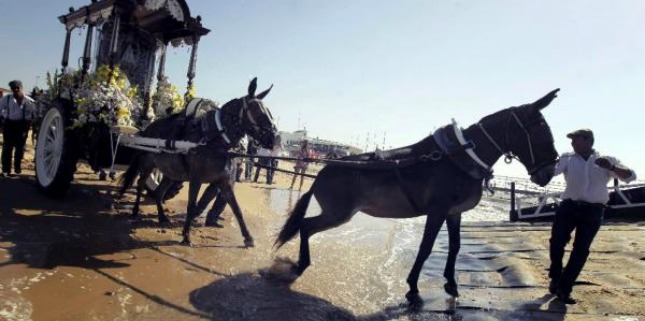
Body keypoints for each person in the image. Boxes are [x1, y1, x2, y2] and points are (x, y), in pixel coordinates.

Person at [548, 128, 636, 304]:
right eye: (571, 141)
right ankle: (556, 275)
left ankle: (565, 289)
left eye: (576, 140)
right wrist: (548, 161)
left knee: (581, 250)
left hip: (594, 210)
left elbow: (631, 177)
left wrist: (611, 167)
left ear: (588, 141)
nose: (572, 143)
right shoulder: (568, 158)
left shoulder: (606, 160)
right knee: (557, 241)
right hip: (569, 207)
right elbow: (552, 172)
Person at [0, 80, 37, 177]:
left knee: (20, 148)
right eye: (14, 88)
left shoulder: (29, 101)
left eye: (18, 88)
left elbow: (34, 115)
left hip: (22, 125)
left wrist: (29, 126)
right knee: (7, 147)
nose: (16, 90)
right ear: (12, 90)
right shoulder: (6, 99)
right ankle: (5, 169)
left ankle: (17, 167)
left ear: (21, 88)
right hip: (9, 124)